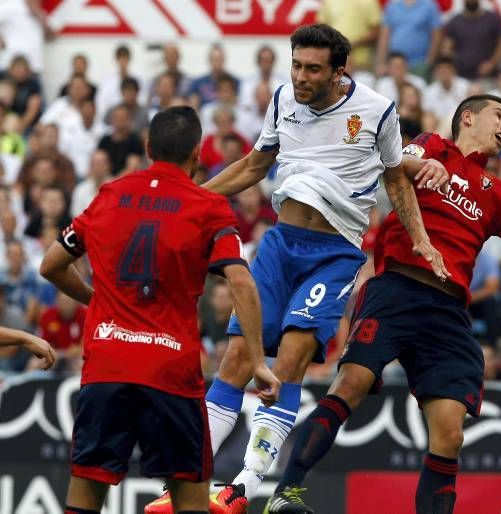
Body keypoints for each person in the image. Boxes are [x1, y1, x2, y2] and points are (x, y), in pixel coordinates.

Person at [265, 94, 501, 514]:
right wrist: (421, 167)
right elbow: (392, 165)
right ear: (467, 118)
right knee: (350, 385)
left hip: (449, 312)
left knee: (450, 435)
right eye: (499, 115)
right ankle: (284, 492)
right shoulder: (433, 146)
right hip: (396, 289)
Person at [146, 24, 449, 514]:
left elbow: (396, 180)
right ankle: (185, 484)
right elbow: (253, 164)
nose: (301, 77)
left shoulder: (377, 110)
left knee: (288, 361)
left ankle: (240, 487)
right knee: (236, 360)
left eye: (313, 69)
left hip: (335, 253)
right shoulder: (284, 97)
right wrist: (193, 201)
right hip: (280, 243)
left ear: (338, 71)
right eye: (297, 65)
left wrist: (421, 241)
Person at [39, 106, 279, 514]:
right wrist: (257, 361)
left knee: (83, 499)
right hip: (171, 373)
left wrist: (97, 300)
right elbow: (240, 281)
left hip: (107, 367)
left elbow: (50, 265)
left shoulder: (109, 195)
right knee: (189, 501)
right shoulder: (206, 207)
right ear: (196, 156)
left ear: (148, 147)